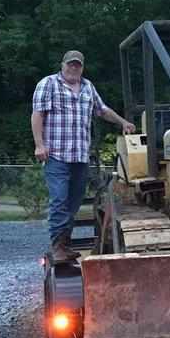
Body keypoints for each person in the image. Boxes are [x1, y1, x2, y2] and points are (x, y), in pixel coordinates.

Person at [31, 50, 135, 263]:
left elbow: (102, 110)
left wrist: (123, 122)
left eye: (78, 65)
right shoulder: (48, 84)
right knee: (59, 198)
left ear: (82, 68)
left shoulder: (88, 87)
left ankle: (65, 245)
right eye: (70, 64)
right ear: (63, 65)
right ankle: (58, 246)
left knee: (73, 203)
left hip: (80, 156)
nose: (74, 68)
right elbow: (38, 114)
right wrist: (39, 145)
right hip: (57, 155)